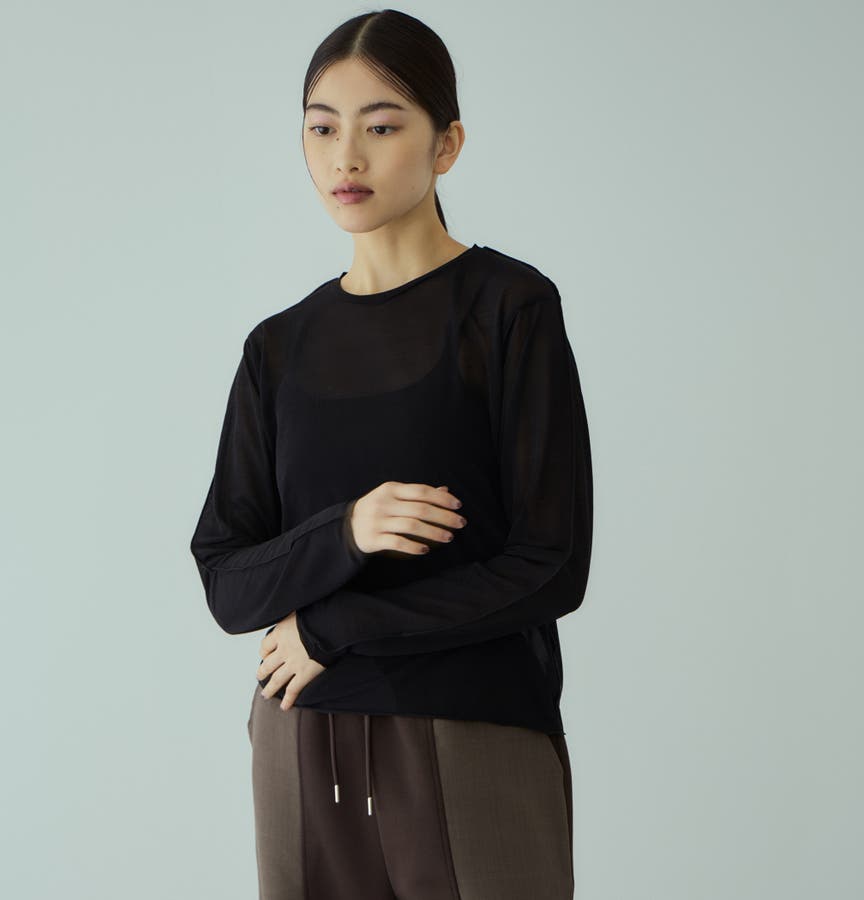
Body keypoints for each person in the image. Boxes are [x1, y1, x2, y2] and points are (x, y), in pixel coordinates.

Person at [189, 8, 593, 899]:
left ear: (446, 144)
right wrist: (347, 531)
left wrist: (334, 626)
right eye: (322, 128)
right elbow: (227, 579)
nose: (347, 158)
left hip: (473, 726)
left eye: (381, 127)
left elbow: (551, 565)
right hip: (301, 735)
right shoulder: (278, 347)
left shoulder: (508, 308)